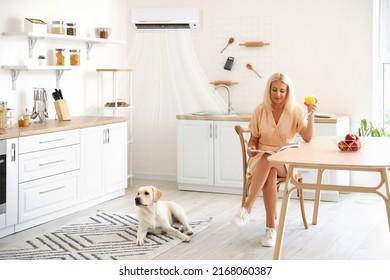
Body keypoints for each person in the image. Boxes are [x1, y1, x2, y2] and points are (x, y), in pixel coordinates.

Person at [231, 72, 317, 247]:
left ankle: (246, 208)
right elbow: (254, 138)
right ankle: (271, 229)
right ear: (269, 90)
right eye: (275, 90)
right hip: (261, 158)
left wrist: (311, 115)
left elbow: (307, 137)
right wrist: (250, 147)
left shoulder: (296, 110)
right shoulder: (260, 110)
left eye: (282, 91)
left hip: (286, 160)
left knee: (270, 159)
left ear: (288, 92)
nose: (278, 94)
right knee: (268, 167)